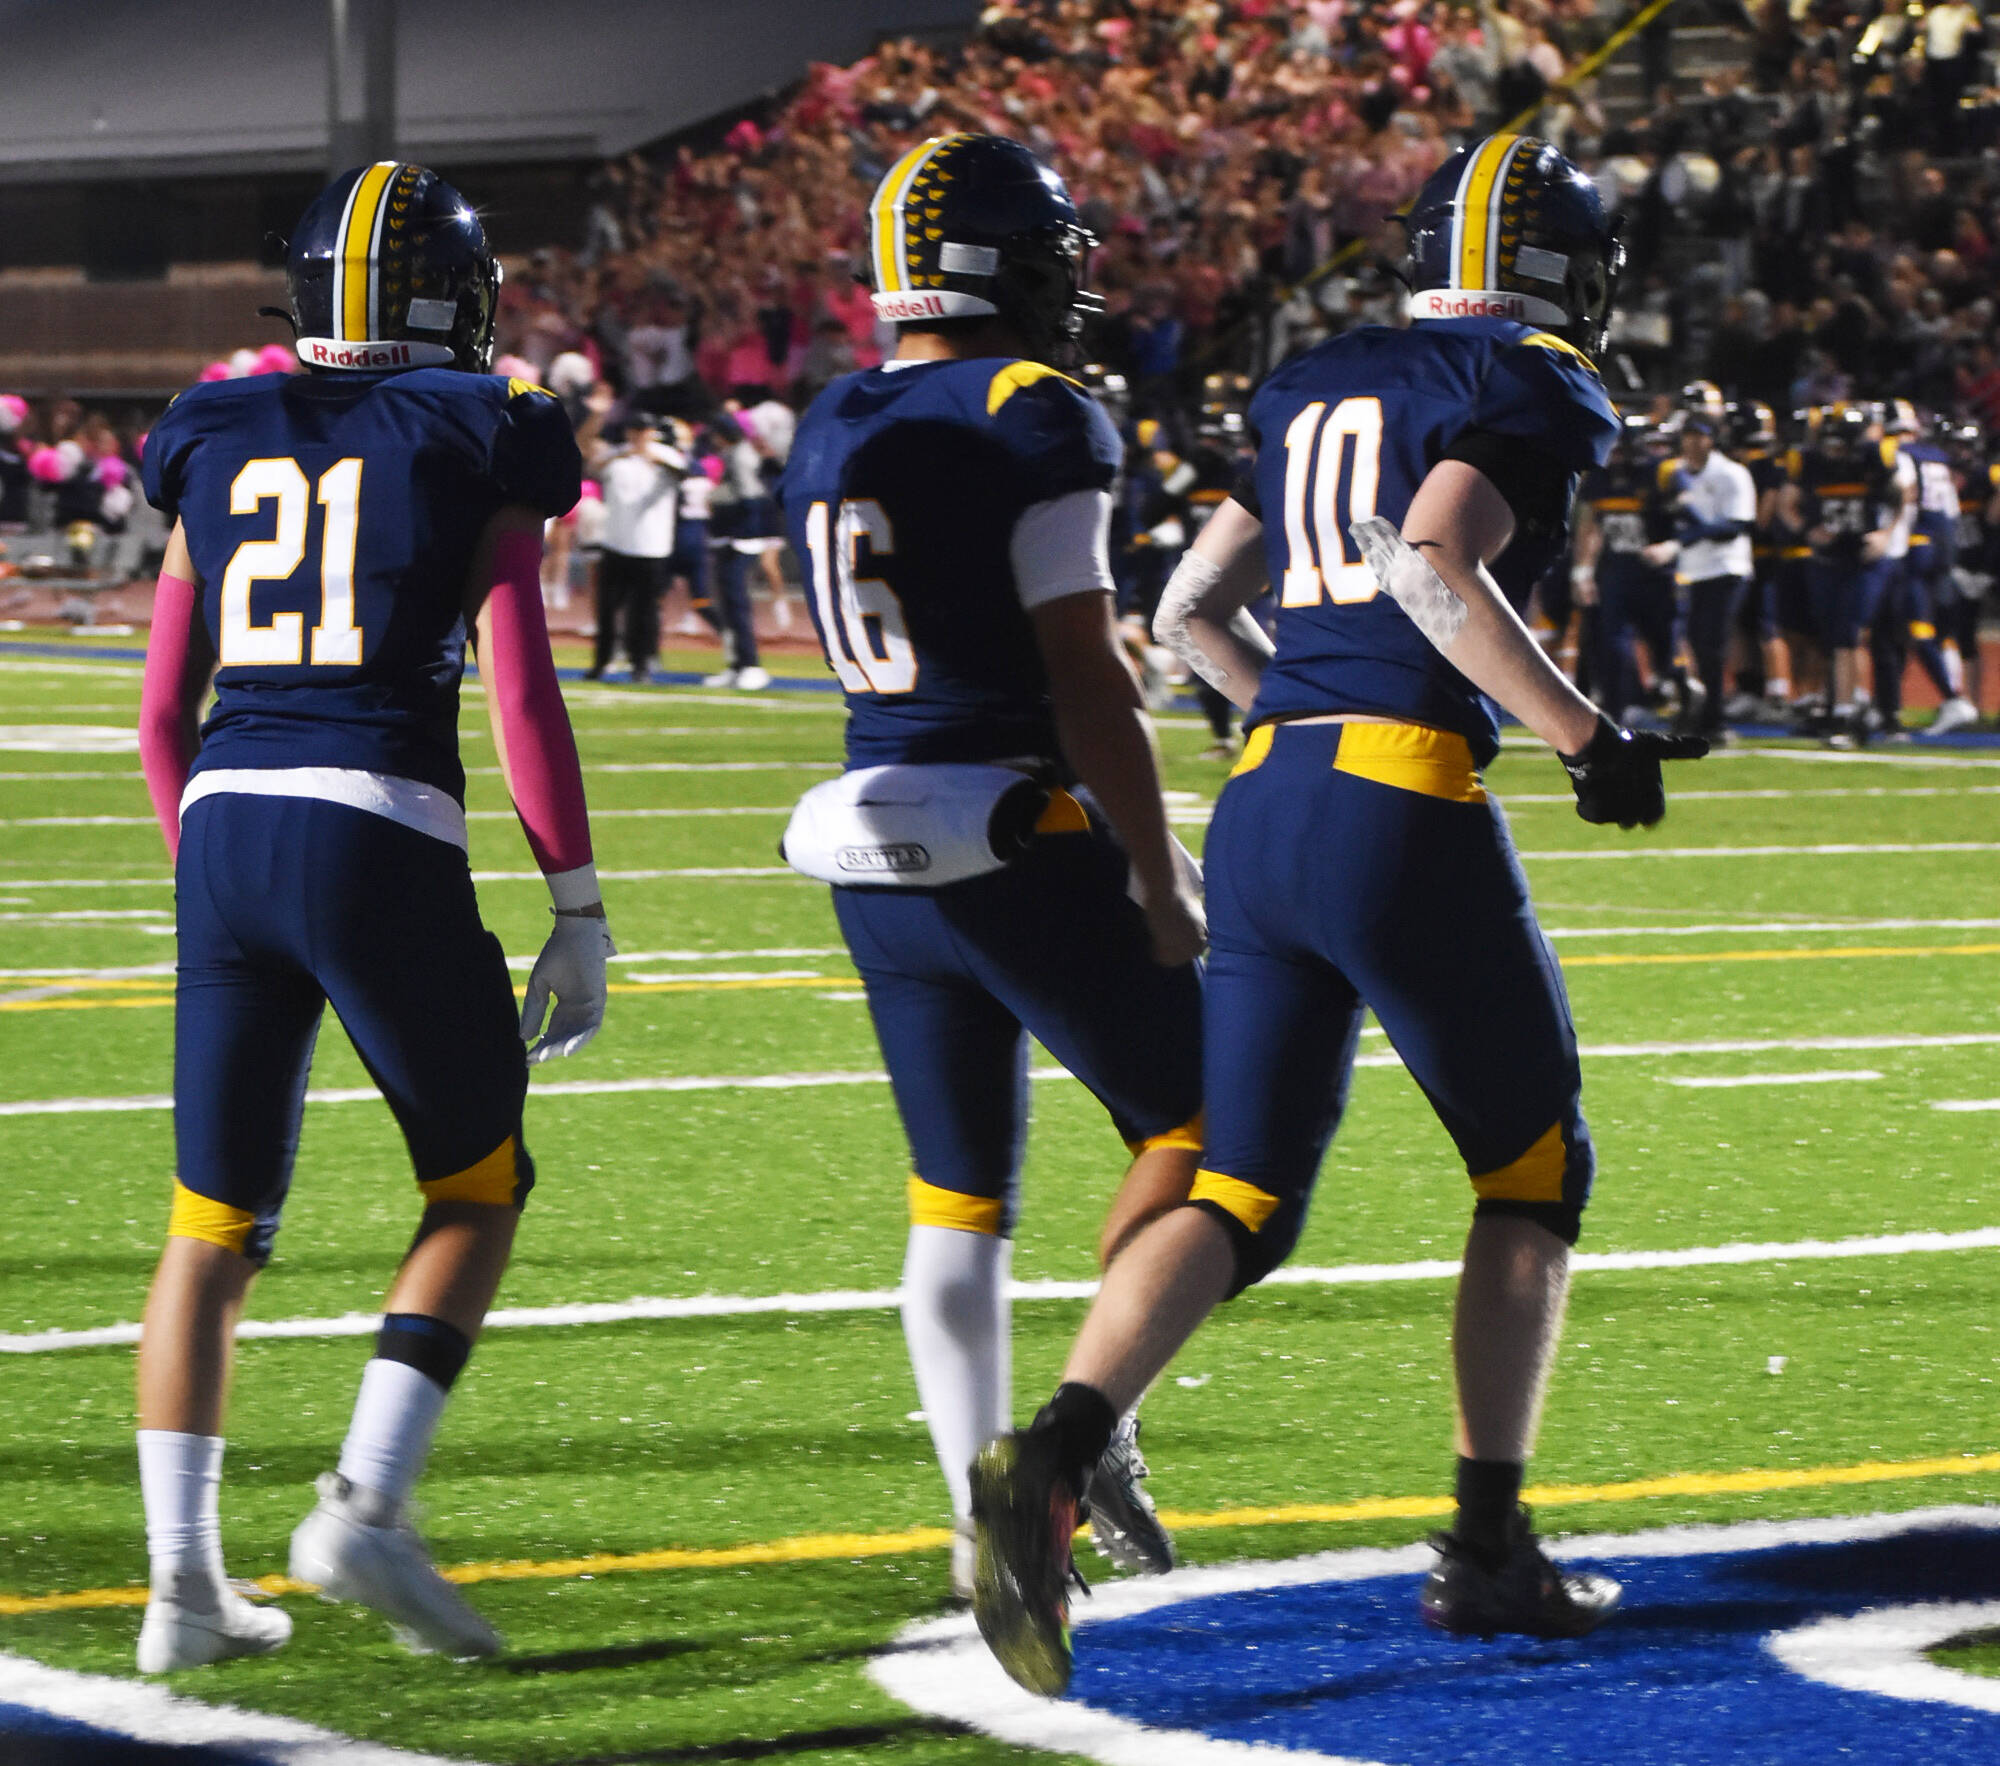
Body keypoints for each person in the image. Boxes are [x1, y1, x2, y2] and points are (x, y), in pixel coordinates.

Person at [970, 133, 1706, 1697]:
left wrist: (1291, 726)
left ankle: (1053, 1449)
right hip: (1392, 795)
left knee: (1243, 1187)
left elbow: (1184, 615)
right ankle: (1489, 1549)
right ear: (1564, 270)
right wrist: (1588, 737)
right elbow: (1430, 556)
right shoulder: (1538, 372)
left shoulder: (1318, 377)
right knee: (1531, 1163)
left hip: (1262, 794)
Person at [132, 161, 613, 1673]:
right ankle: (366, 1506)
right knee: (478, 1182)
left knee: (210, 1225)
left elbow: (160, 711)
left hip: (220, 822)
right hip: (375, 817)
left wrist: (213, 876)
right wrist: (577, 900)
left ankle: (179, 1591)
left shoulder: (213, 423)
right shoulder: (489, 428)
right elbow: (524, 687)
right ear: (450, 305)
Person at [777, 133, 1206, 1600]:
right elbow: (1087, 678)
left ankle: (987, 1530)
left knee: (956, 1195)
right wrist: (1159, 865)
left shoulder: (833, 409)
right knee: (1213, 1133)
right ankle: (1090, 1436)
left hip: (871, 834)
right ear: (1007, 262)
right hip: (1020, 831)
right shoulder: (1038, 409)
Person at [1662, 406, 1758, 741]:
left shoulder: (1731, 474)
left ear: (1712, 439)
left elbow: (1734, 527)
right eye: (1688, 435)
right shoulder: (1675, 473)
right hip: (1691, 569)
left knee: (1712, 644)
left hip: (1724, 567)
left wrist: (1685, 526)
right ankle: (1696, 709)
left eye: (1699, 435)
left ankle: (1713, 717)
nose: (1692, 443)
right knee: (1688, 644)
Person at [585, 415, 684, 683]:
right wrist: (617, 456)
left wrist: (654, 459)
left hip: (652, 546)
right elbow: (592, 468)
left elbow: (682, 475)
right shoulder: (618, 456)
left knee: (643, 611)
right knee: (607, 608)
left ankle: (641, 663)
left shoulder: (666, 455)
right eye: (634, 430)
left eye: (643, 431)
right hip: (616, 542)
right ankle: (602, 662)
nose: (637, 436)